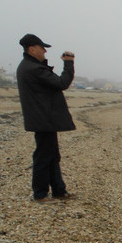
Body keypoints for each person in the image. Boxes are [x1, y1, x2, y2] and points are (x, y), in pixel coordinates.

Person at [16, 33, 76, 203]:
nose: (44, 52)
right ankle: (40, 194)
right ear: (32, 49)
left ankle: (58, 190)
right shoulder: (33, 68)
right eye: (42, 48)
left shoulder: (29, 66)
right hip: (43, 118)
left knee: (51, 155)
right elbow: (61, 83)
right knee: (43, 156)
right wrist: (68, 63)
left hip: (42, 118)